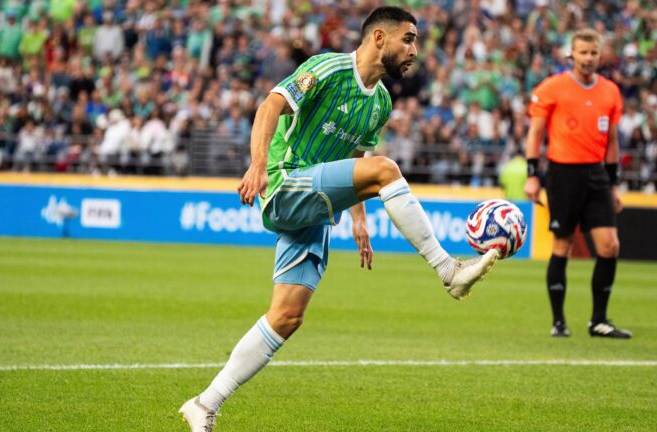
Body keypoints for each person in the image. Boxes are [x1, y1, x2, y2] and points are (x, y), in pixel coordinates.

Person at [178, 7, 499, 431]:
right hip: (285, 181)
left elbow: (354, 160)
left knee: (287, 316)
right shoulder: (329, 68)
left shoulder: (380, 103)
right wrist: (258, 164)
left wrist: (358, 218)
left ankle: (204, 403)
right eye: (408, 39)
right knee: (387, 169)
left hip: (313, 206)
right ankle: (447, 270)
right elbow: (270, 106)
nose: (414, 51)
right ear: (379, 38)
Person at [524, 29, 632, 339]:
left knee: (610, 246)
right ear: (571, 54)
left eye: (593, 52)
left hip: (597, 175)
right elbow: (535, 133)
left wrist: (613, 184)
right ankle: (558, 322)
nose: (588, 58)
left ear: (600, 55)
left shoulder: (610, 92)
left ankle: (599, 321)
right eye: (582, 52)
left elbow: (612, 142)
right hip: (563, 174)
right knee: (563, 245)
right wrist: (533, 175)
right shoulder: (551, 88)